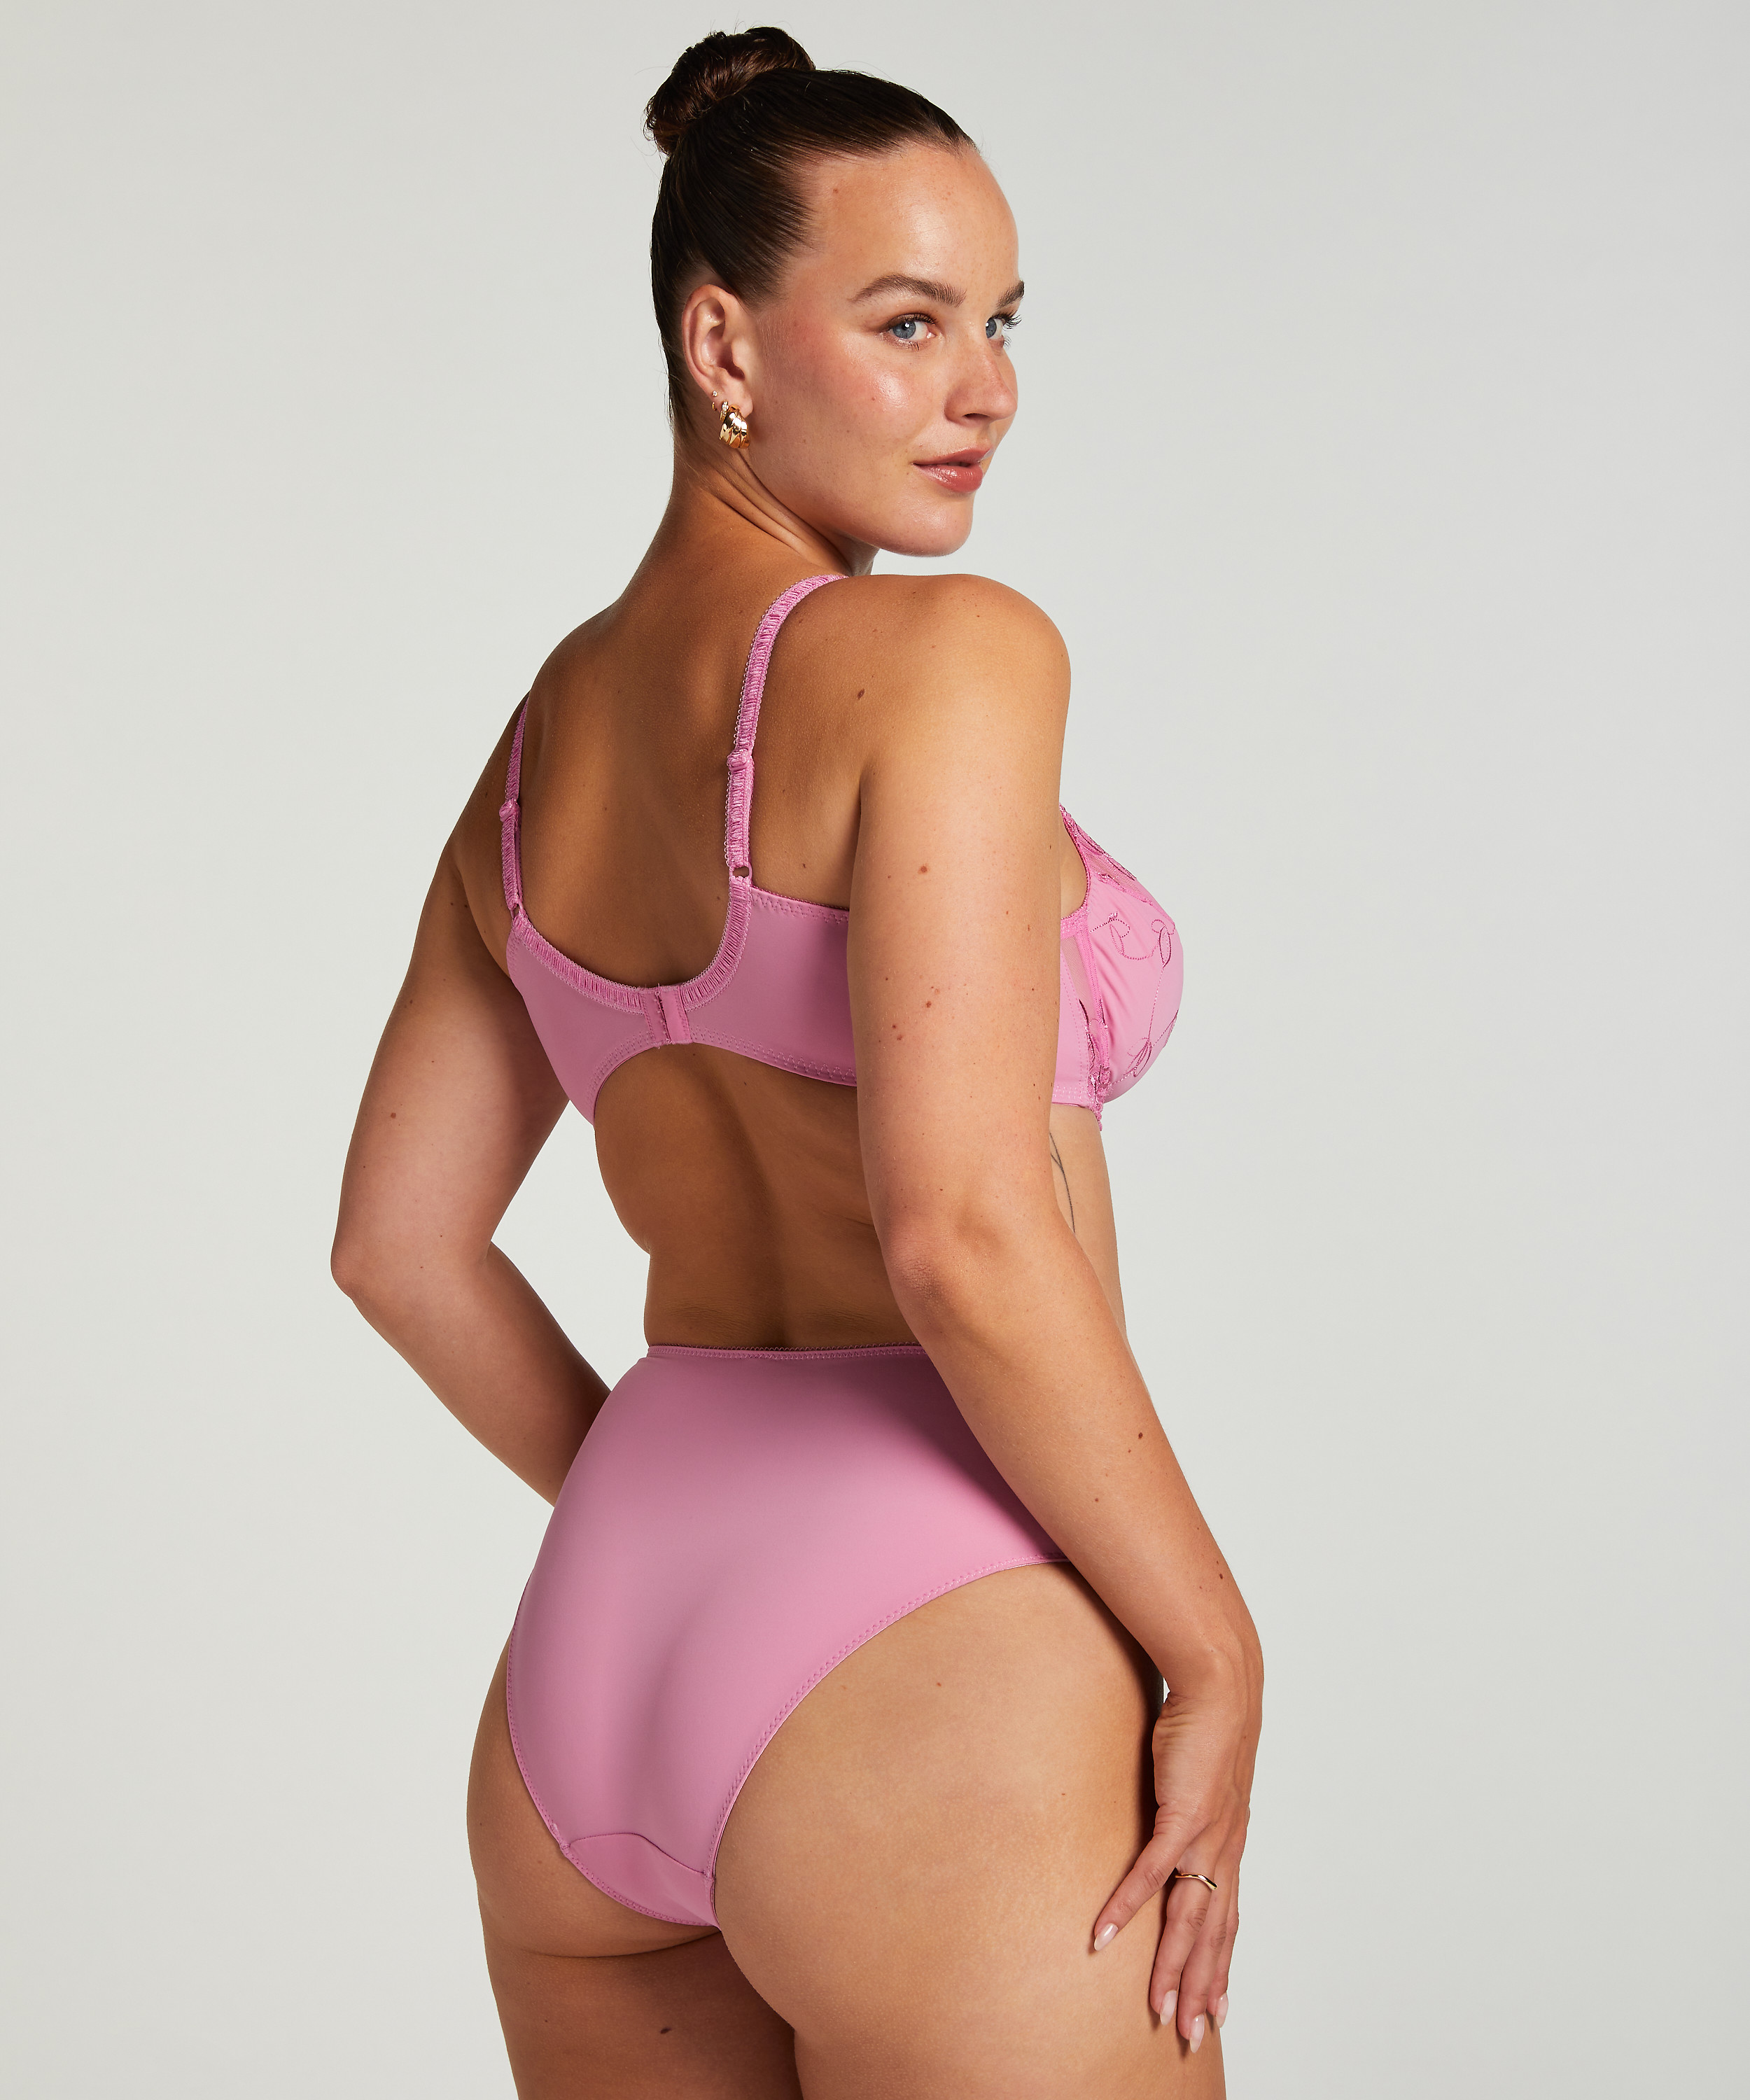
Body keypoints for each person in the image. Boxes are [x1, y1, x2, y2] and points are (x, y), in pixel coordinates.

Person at [332, 27, 1263, 2096]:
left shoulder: (534, 757)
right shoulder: (953, 655)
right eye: (908, 322)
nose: (983, 389)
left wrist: (679, 1513)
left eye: (1000, 321)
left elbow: (394, 1249)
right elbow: (957, 1235)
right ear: (723, 345)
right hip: (929, 1637)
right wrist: (1215, 1648)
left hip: (597, 1662)